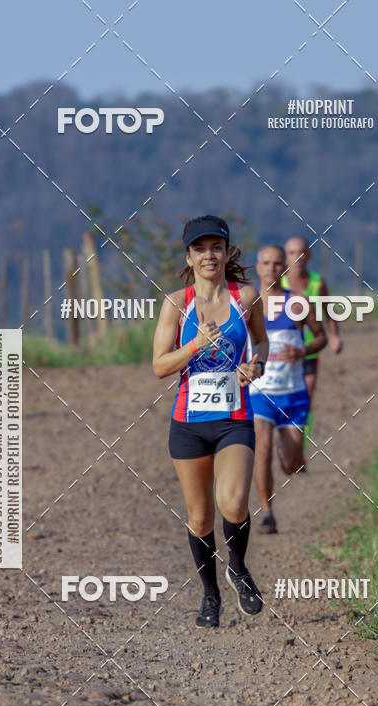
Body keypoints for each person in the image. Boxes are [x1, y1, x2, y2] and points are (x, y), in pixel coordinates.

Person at [153, 215, 269, 628]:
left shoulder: (247, 297)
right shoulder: (175, 304)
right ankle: (210, 594)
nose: (209, 255)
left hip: (235, 418)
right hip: (188, 424)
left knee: (234, 502)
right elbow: (159, 366)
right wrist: (195, 345)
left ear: (226, 252)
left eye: (215, 247)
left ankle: (237, 568)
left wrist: (256, 366)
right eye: (200, 249)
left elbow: (262, 344)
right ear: (189, 256)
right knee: (200, 517)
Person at [250, 245, 327, 534]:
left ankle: (290, 458)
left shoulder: (297, 302)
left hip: (293, 394)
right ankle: (267, 513)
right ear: (257, 267)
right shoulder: (247, 302)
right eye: (266, 263)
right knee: (263, 449)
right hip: (260, 393)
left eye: (277, 264)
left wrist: (303, 350)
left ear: (284, 269)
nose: (271, 268)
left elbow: (320, 337)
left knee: (292, 465)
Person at [281, 236, 342, 449]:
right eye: (291, 252)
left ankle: (299, 452)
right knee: (282, 400)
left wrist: (333, 336)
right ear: (285, 257)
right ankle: (283, 443)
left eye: (301, 252)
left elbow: (330, 312)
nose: (297, 257)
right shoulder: (277, 284)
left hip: (310, 351)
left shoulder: (317, 282)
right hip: (282, 353)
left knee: (304, 402)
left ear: (309, 255)